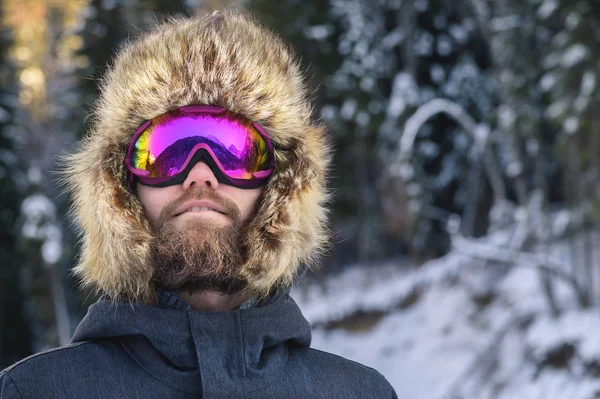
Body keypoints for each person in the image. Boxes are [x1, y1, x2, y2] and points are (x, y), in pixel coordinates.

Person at [0, 10, 397, 399]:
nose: (200, 176)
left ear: (281, 183)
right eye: (166, 152)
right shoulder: (33, 391)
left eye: (237, 153)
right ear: (121, 185)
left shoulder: (361, 392)